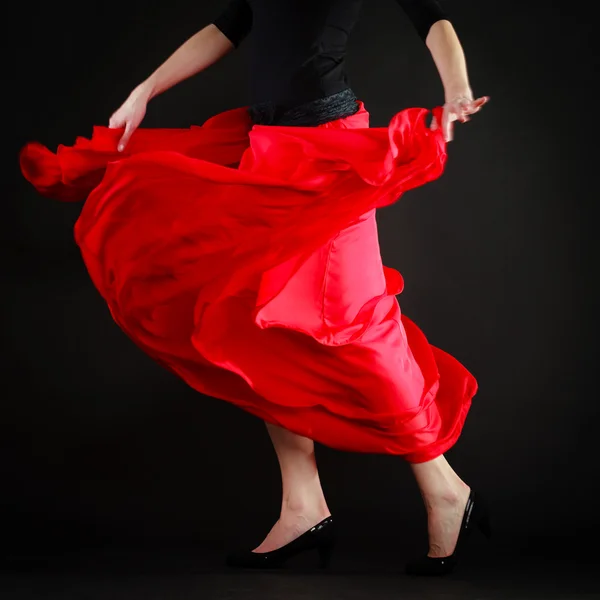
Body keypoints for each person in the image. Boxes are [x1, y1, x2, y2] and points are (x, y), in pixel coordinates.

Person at [20, 0, 490, 577]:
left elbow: (431, 18)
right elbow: (229, 25)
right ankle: (302, 505)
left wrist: (456, 89)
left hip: (331, 149)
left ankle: (445, 487)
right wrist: (146, 88)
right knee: (256, 326)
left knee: (355, 328)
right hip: (266, 148)